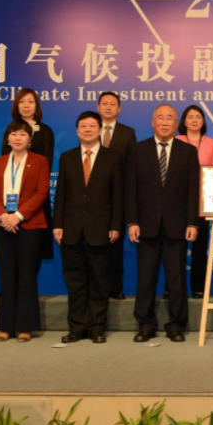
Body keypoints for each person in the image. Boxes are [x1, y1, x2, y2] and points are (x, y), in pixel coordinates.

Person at [126, 104, 200, 343]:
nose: (165, 122)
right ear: (152, 122)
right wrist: (132, 221)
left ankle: (176, 325)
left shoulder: (188, 151)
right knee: (146, 278)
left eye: (170, 118)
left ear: (177, 123)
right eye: (160, 117)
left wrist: (192, 223)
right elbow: (131, 189)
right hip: (146, 224)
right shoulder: (138, 149)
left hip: (177, 225)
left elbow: (193, 190)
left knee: (176, 278)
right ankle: (145, 325)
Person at [53, 111, 123, 344]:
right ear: (77, 131)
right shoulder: (67, 157)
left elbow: (118, 195)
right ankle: (76, 328)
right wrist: (58, 224)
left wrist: (115, 224)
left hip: (101, 229)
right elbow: (60, 194)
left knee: (99, 281)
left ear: (100, 130)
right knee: (75, 282)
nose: (88, 129)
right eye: (83, 126)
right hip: (71, 229)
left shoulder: (113, 158)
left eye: (92, 125)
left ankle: (96, 328)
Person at [0, 120, 50, 343]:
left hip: (29, 225)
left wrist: (18, 216)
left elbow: (41, 193)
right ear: (7, 138)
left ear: (30, 138)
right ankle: (5, 327)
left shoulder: (40, 161)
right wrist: (4, 216)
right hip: (3, 225)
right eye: (13, 134)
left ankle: (25, 326)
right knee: (6, 277)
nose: (18, 138)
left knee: (26, 277)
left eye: (23, 134)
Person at [0, 88, 55, 261]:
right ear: (16, 106)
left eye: (30, 102)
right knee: (10, 254)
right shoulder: (10, 129)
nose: (26, 105)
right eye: (22, 101)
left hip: (35, 197)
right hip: (11, 197)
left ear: (36, 106)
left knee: (32, 254)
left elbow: (46, 165)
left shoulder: (45, 131)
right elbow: (4, 164)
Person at [175, 105, 213, 299]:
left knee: (200, 247)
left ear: (203, 121)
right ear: (184, 121)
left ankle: (198, 287)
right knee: (176, 247)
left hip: (203, 200)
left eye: (198, 117)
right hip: (178, 201)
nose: (194, 120)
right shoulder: (176, 141)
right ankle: (173, 288)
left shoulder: (210, 143)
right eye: (190, 116)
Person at [97, 91, 137, 300]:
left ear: (119, 109)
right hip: (93, 197)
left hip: (118, 196)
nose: (108, 107)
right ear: (98, 107)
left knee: (116, 244)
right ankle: (97, 286)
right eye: (105, 103)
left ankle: (115, 286)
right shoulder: (91, 128)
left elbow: (132, 166)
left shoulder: (128, 133)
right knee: (95, 243)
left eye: (112, 104)